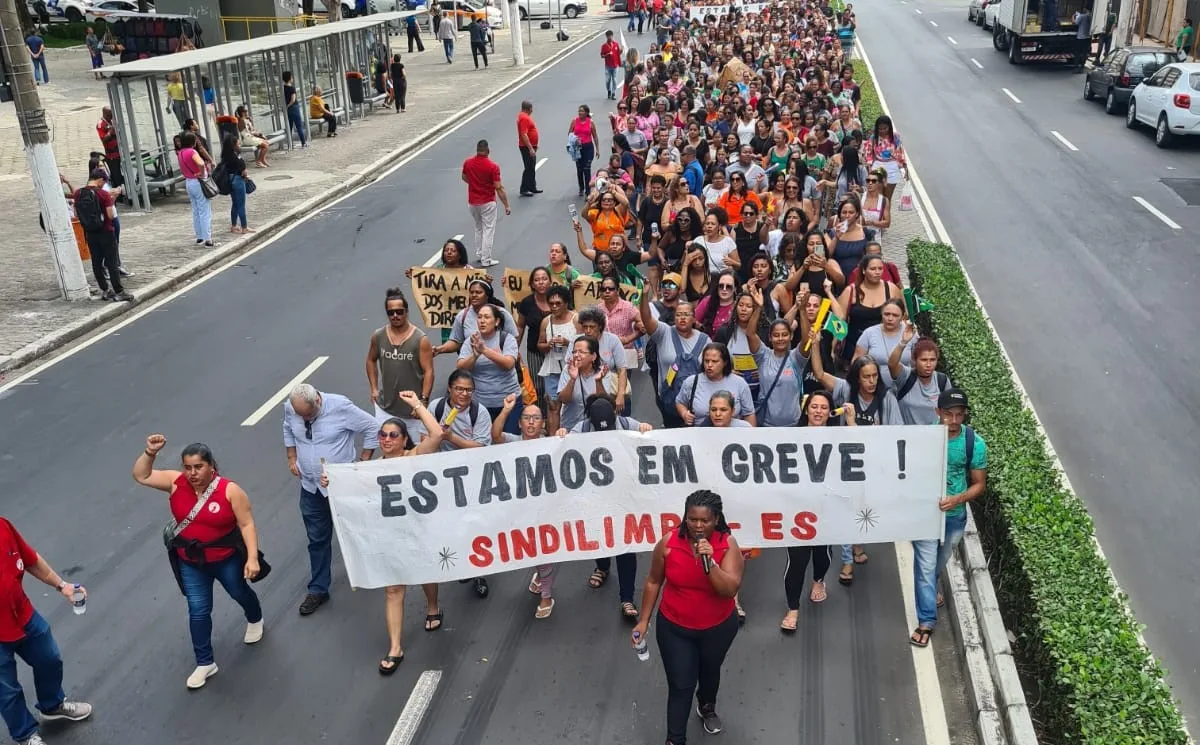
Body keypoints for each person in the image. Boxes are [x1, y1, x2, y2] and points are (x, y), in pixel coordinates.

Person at [319, 398, 444, 673]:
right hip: (388, 537)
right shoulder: (367, 468)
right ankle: (395, 647)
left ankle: (433, 606)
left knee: (424, 574)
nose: (386, 439)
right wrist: (333, 483)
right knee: (393, 589)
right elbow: (352, 494)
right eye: (382, 435)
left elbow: (437, 435)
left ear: (404, 440)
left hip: (416, 531)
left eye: (392, 435)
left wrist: (418, 406)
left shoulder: (413, 458)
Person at [132, 435, 263, 689]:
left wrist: (253, 558)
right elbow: (142, 476)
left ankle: (255, 617)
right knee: (198, 610)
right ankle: (205, 662)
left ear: (211, 465)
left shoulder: (229, 490)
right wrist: (149, 453)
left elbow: (246, 524)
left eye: (198, 467)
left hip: (225, 559)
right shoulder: (175, 482)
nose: (192, 473)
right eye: (187, 467)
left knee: (239, 591)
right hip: (191, 561)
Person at [632, 489, 744, 744]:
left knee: (709, 671)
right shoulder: (668, 544)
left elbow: (729, 590)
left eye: (705, 520)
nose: (698, 525)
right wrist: (643, 620)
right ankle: (675, 739)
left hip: (717, 628)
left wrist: (710, 562)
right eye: (692, 519)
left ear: (716, 519)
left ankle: (706, 706)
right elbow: (652, 581)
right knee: (681, 684)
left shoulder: (727, 545)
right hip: (675, 628)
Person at [283, 384, 379, 616]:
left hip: (342, 486)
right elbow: (287, 427)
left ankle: (373, 570)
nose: (304, 419)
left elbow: (373, 428)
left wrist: (364, 460)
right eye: (300, 415)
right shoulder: (291, 408)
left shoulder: (340, 407)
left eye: (308, 415)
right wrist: (291, 455)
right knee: (317, 539)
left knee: (355, 530)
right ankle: (318, 589)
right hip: (311, 487)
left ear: (317, 401)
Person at [0, 518, 92, 745]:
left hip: (22, 614)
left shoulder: (3, 526)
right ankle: (25, 735)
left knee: (49, 658)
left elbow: (30, 559)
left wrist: (63, 586)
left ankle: (52, 705)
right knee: (7, 690)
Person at [910, 389, 988, 648]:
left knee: (935, 565)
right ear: (937, 413)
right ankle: (926, 621)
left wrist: (956, 499)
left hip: (954, 517)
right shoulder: (924, 439)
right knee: (925, 566)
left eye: (959, 415)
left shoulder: (974, 444)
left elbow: (979, 484)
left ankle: (930, 591)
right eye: (948, 415)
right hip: (924, 516)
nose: (954, 421)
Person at [779, 391, 844, 632]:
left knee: (822, 554)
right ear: (806, 410)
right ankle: (792, 608)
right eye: (814, 406)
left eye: (823, 407)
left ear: (830, 412)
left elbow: (861, 449)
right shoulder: (790, 437)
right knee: (796, 560)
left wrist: (850, 421)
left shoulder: (838, 438)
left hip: (826, 508)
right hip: (796, 510)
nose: (818, 411)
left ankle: (818, 579)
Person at [367, 287, 435, 438]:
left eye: (399, 311)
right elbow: (371, 360)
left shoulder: (420, 339)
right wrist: (374, 389)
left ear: (406, 311)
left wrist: (423, 401)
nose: (395, 315)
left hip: (413, 412)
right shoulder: (378, 336)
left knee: (417, 453)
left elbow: (429, 371)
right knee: (388, 447)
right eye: (391, 313)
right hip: (386, 408)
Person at [74, 169, 132, 301]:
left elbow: (77, 213)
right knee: (111, 262)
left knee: (96, 262)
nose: (103, 183)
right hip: (106, 231)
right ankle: (119, 291)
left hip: (90, 233)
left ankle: (105, 290)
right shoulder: (103, 194)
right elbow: (110, 215)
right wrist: (112, 200)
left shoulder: (79, 193)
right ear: (100, 179)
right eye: (104, 181)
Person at [461, 139, 510, 267]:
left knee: (478, 228)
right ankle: (486, 259)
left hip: (472, 202)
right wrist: (506, 205)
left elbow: (464, 177)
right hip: (487, 201)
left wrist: (474, 184)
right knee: (488, 230)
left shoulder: (468, 163)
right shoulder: (492, 166)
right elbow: (498, 187)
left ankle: (479, 253)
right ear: (488, 151)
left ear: (477, 150)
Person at [178, 132, 213, 248]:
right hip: (198, 182)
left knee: (196, 211)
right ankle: (208, 238)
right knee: (204, 210)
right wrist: (202, 174)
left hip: (189, 182)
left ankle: (200, 237)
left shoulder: (180, 153)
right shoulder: (192, 152)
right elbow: (201, 163)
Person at [219, 133, 253, 235]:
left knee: (235, 203)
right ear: (233, 145)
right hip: (238, 179)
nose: (239, 145)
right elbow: (243, 169)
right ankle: (244, 227)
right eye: (238, 143)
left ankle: (234, 226)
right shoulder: (235, 156)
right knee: (241, 204)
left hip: (230, 179)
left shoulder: (225, 155)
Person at [517, 101, 542, 196]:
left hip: (530, 145)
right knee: (528, 167)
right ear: (529, 108)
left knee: (532, 167)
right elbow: (524, 134)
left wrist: (534, 144)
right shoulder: (524, 118)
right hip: (526, 147)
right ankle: (524, 188)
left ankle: (532, 186)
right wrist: (530, 148)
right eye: (531, 108)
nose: (532, 110)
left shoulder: (523, 116)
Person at [96, 107, 124, 189]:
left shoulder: (112, 121)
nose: (111, 117)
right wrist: (111, 132)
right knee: (116, 175)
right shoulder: (101, 125)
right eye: (109, 115)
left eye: (112, 115)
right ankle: (118, 195)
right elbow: (103, 139)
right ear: (104, 114)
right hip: (112, 155)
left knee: (121, 173)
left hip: (120, 152)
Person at [282, 71, 308, 149]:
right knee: (299, 126)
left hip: (288, 110)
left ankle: (290, 143)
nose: (292, 78)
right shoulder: (292, 88)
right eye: (292, 77)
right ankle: (303, 143)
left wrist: (285, 107)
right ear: (289, 78)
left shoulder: (283, 88)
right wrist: (288, 106)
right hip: (294, 108)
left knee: (289, 126)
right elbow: (293, 100)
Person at [601, 30, 623, 100]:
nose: (610, 37)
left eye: (611, 36)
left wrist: (621, 50)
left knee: (614, 80)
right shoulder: (604, 46)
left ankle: (613, 93)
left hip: (615, 65)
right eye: (608, 36)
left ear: (612, 36)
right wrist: (607, 54)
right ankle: (609, 91)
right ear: (606, 37)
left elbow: (618, 53)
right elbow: (602, 55)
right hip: (608, 66)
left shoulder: (616, 44)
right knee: (607, 80)